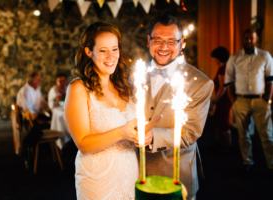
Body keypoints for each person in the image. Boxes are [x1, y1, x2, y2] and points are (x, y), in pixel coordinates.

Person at [64, 22, 160, 200]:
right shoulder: (78, 88)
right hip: (98, 180)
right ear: (88, 52)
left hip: (131, 173)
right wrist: (121, 132)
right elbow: (83, 144)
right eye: (103, 50)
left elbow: (134, 127)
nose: (111, 56)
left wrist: (143, 136)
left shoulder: (125, 86)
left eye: (115, 49)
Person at [142, 14, 214, 200]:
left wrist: (152, 136)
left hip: (175, 175)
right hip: (132, 173)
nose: (164, 47)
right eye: (158, 40)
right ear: (148, 41)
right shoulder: (129, 77)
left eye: (171, 41)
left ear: (182, 43)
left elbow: (190, 132)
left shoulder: (201, 84)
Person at [224, 28, 273, 171]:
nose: (249, 41)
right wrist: (234, 102)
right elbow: (229, 82)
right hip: (241, 100)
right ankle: (247, 161)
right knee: (243, 134)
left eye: (251, 38)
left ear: (256, 39)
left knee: (267, 134)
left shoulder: (265, 56)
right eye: (246, 38)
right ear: (243, 39)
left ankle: (271, 163)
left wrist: (268, 100)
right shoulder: (235, 58)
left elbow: (270, 80)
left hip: (260, 100)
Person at [209, 47, 232, 152]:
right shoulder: (226, 67)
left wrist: (214, 101)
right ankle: (218, 143)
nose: (214, 60)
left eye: (215, 58)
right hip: (223, 99)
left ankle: (228, 146)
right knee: (218, 121)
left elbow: (223, 87)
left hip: (223, 100)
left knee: (223, 122)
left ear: (218, 58)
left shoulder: (223, 69)